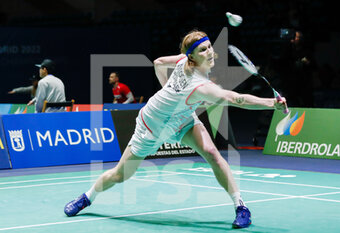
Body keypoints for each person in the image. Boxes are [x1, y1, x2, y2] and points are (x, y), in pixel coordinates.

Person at [64, 30, 287, 229]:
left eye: (209, 46)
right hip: (151, 127)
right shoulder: (199, 85)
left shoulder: (183, 60)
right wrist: (270, 103)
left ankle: (241, 207)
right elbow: (234, 98)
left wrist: (171, 94)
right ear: (192, 56)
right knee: (121, 174)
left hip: (182, 120)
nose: (209, 52)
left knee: (212, 154)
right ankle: (86, 197)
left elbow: (158, 62)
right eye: (202, 50)